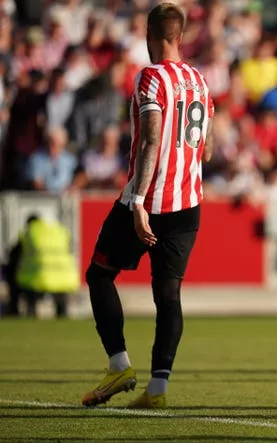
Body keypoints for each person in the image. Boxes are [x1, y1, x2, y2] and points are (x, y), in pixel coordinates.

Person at [81, 3, 215, 409]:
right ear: (182, 35)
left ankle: (119, 365)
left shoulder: (151, 77)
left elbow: (152, 140)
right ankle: (157, 389)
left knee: (100, 274)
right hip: (188, 202)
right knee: (168, 294)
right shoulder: (200, 80)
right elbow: (206, 150)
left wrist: (138, 202)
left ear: (149, 34)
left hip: (148, 199)